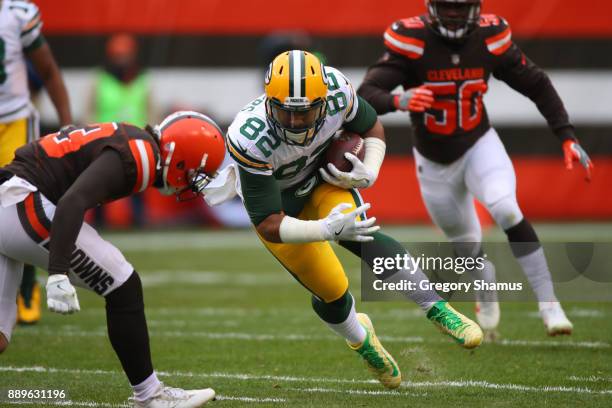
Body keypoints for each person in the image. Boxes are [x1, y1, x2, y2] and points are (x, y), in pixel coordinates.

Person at [221, 50, 483, 388]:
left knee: (359, 232)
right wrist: (324, 230)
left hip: (325, 179)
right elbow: (268, 223)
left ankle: (437, 308)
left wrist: (368, 172)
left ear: (323, 99)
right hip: (281, 208)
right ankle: (361, 341)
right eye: (287, 113)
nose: (298, 123)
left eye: (307, 113)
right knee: (330, 288)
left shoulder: (336, 90)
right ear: (269, 103)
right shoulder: (248, 136)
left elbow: (371, 127)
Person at [357, 0, 593, 338]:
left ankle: (549, 303)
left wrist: (566, 135)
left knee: (506, 208)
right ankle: (485, 284)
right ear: (431, 7)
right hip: (433, 162)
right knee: (466, 245)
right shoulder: (413, 41)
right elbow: (367, 92)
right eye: (446, 6)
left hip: (479, 144)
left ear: (476, 8)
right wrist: (398, 100)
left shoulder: (488, 37)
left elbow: (536, 83)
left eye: (461, 7)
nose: (453, 14)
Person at [0, 111, 225, 407]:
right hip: (20, 200)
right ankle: (150, 395)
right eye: (195, 173)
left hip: (10, 196)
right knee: (122, 283)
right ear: (179, 158)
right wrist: (57, 273)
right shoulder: (141, 154)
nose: (191, 184)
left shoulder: (133, 139)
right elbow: (73, 201)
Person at [0, 0, 72, 325]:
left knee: (19, 205)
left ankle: (27, 290)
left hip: (14, 121)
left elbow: (48, 71)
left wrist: (68, 124)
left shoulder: (17, 14)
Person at [87, 33, 154, 227]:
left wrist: (151, 134)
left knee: (139, 184)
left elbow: (151, 109)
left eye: (125, 55)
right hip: (106, 139)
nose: (122, 60)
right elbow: (90, 110)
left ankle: (139, 221)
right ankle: (99, 223)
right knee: (101, 183)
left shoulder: (143, 79)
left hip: (137, 140)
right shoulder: (99, 79)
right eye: (118, 55)